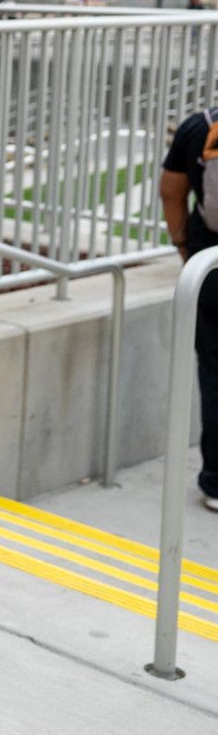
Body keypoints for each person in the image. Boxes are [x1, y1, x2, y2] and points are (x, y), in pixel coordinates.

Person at [160, 108, 218, 509]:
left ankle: (216, 481)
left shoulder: (200, 125)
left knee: (213, 370)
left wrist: (184, 247)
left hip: (208, 265)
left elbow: (171, 192)